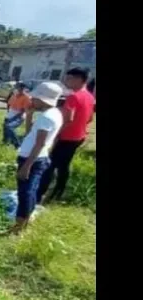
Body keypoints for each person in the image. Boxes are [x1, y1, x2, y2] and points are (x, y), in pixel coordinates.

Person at [11, 82, 65, 235]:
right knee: (31, 190)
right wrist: (29, 115)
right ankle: (27, 219)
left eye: (35, 98)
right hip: (37, 158)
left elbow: (40, 142)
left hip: (32, 160)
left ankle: (19, 228)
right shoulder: (51, 114)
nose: (32, 100)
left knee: (25, 192)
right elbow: (30, 134)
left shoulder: (47, 117)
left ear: (43, 99)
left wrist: (27, 166)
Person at [36, 68, 96, 204]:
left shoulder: (73, 97)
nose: (66, 81)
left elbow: (68, 119)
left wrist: (56, 135)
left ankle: (40, 194)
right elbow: (90, 118)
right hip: (79, 137)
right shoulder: (90, 97)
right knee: (64, 165)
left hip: (66, 138)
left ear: (79, 79)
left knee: (50, 166)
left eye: (69, 78)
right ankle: (59, 191)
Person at [2, 83, 31, 148]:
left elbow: (24, 110)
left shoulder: (26, 98)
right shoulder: (14, 95)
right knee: (5, 129)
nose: (20, 90)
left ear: (24, 89)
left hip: (18, 116)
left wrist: (15, 117)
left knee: (9, 127)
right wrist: (8, 113)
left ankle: (17, 145)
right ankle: (5, 142)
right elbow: (9, 104)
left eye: (22, 89)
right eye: (18, 88)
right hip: (10, 114)